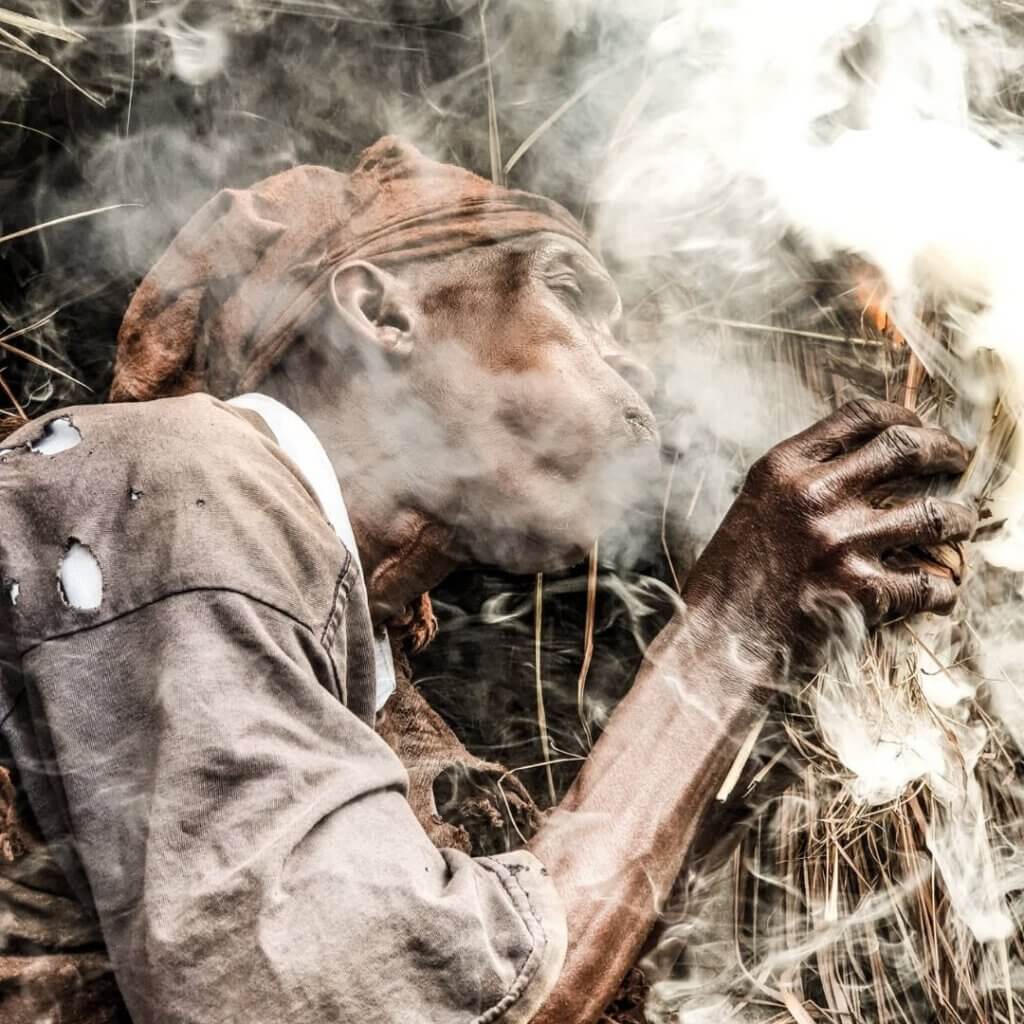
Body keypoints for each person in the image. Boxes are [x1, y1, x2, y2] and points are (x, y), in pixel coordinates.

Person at [0, 137, 976, 1024]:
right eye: (572, 294)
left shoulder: (388, 716)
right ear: (382, 307)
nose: (629, 355)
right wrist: (734, 625)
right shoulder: (181, 477)